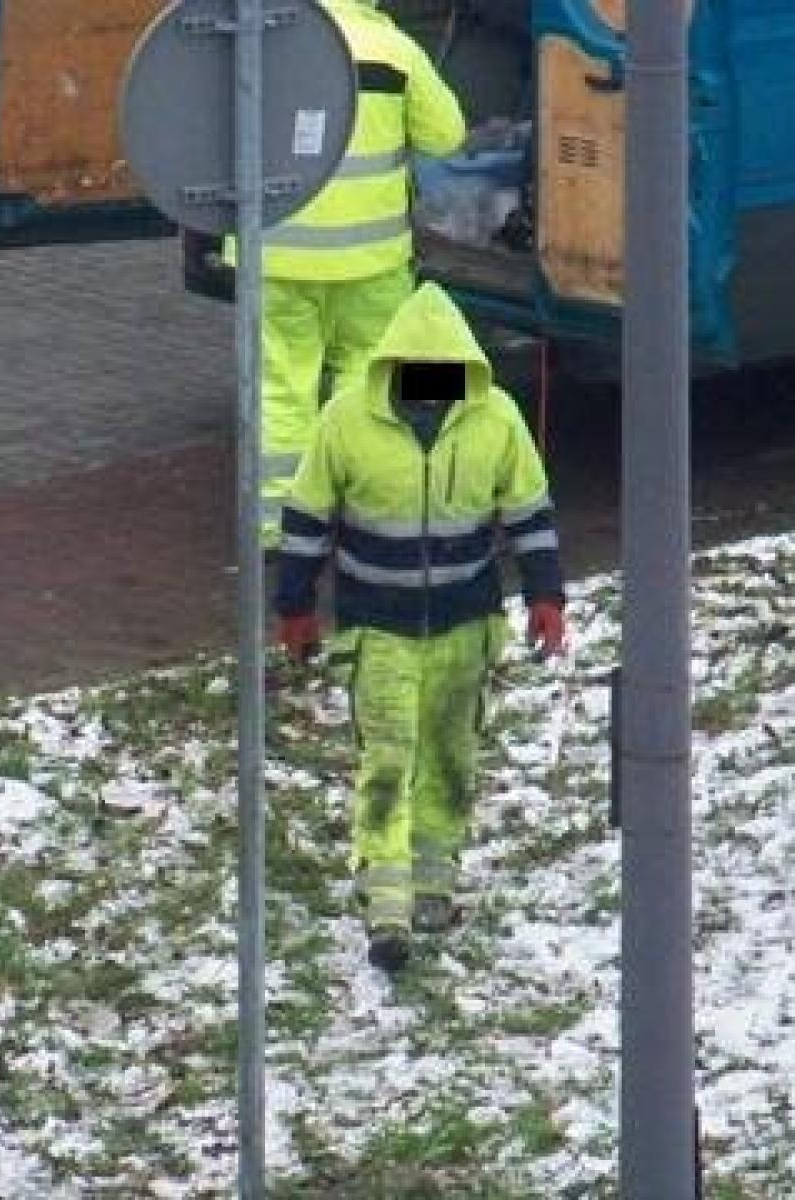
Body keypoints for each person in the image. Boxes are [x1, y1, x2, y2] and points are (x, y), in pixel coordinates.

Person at [272, 282, 567, 973]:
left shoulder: (496, 420)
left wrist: (545, 595)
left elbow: (529, 512)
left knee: (449, 756)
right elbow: (307, 517)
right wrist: (294, 604)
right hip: (378, 628)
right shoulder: (346, 422)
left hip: (466, 626)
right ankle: (386, 904)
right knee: (387, 758)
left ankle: (433, 882)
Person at [246, 0, 467, 547]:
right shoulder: (391, 47)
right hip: (371, 258)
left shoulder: (265, 38)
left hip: (275, 252)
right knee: (368, 384)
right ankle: (355, 506)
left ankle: (277, 526)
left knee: (279, 384)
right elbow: (448, 135)